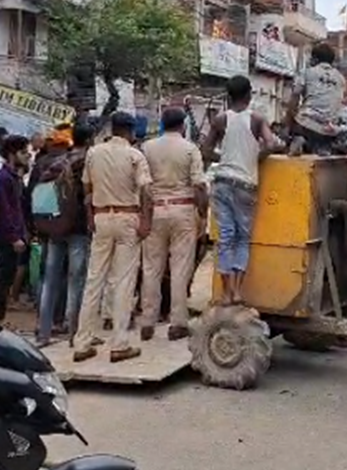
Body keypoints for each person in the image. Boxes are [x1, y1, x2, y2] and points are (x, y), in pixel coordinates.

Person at [72, 112, 152, 363]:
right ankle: (119, 343)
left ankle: (82, 342)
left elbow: (86, 188)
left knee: (94, 281)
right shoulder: (134, 155)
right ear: (129, 131)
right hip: (127, 218)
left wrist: (90, 216)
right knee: (123, 282)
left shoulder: (94, 153)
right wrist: (146, 221)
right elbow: (146, 190)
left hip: (101, 217)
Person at [201, 75, 279, 307]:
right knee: (243, 238)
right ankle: (237, 292)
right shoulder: (256, 119)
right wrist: (254, 158)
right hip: (245, 184)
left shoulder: (220, 119)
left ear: (228, 96)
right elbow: (272, 144)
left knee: (225, 237)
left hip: (222, 181)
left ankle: (226, 293)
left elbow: (206, 150)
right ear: (249, 95)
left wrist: (225, 158)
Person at [138, 107, 206, 342]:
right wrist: (203, 212)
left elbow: (142, 186)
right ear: (183, 124)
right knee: (180, 268)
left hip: (155, 208)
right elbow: (199, 185)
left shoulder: (147, 148)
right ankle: (178, 321)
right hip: (183, 208)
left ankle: (147, 320)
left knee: (151, 267)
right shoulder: (190, 149)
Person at [36, 123, 94, 345]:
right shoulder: (88, 162)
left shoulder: (54, 163)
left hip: (54, 228)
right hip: (78, 228)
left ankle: (43, 332)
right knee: (76, 279)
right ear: (89, 140)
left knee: (50, 279)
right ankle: (74, 332)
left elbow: (38, 194)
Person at [0, 135, 32, 323]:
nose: (28, 156)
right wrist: (14, 236)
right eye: (23, 152)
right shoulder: (3, 178)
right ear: (12, 154)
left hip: (15, 230)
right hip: (7, 233)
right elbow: (5, 210)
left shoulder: (14, 177)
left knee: (8, 272)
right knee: (4, 274)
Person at [286, 43, 345, 156]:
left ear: (315, 59)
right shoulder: (341, 79)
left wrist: (289, 123)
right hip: (329, 129)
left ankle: (298, 140)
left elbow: (294, 99)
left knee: (292, 128)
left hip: (306, 124)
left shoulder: (307, 72)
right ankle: (321, 149)